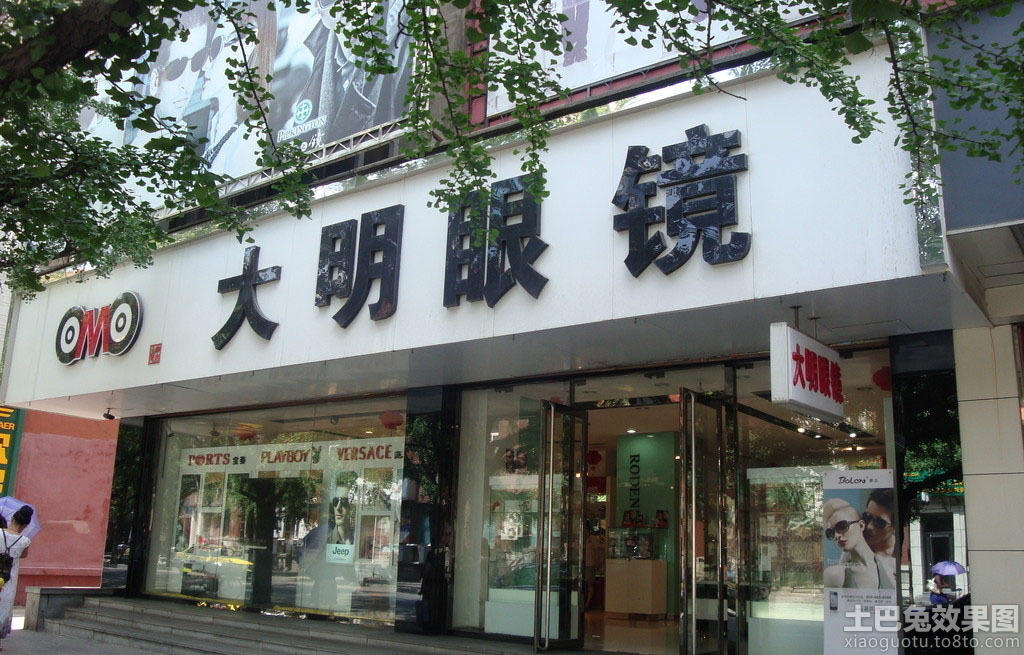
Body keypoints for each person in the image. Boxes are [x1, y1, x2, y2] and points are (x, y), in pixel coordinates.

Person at [823, 498, 895, 589]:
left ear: (861, 525)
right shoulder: (834, 575)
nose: (836, 535)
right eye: (831, 532)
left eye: (842, 526)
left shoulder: (891, 565)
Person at [0, 505, 33, 649]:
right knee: (3, 606)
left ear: (12, 518)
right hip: (9, 579)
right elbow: (23, 555)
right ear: (26, 525)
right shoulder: (24, 541)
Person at [861, 488, 895, 557]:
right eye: (867, 517)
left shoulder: (902, 551)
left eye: (880, 522)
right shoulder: (855, 547)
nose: (869, 526)